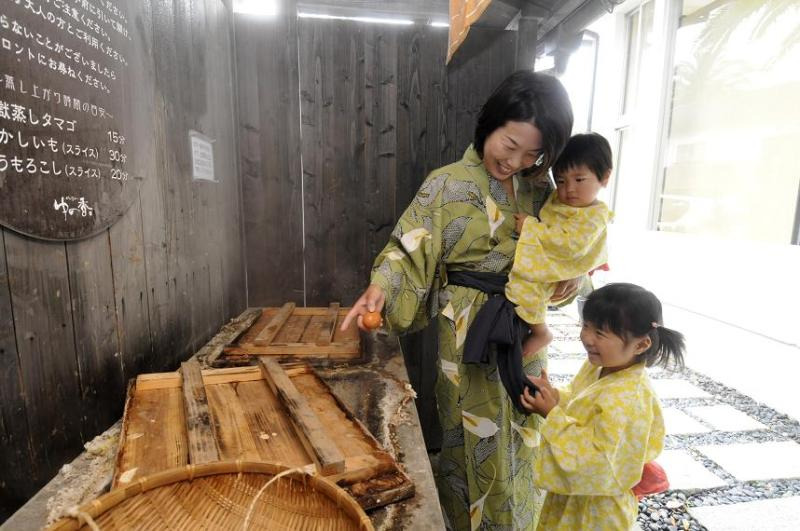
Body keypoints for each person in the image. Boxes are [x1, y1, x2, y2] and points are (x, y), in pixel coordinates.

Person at [341, 71, 574, 529]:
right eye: (509, 145)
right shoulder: (446, 185)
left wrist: (574, 275)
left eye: (533, 154)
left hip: (525, 329)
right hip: (468, 333)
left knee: (526, 430)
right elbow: (408, 249)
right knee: (469, 438)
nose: (516, 162)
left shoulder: (544, 193)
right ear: (490, 124)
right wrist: (382, 285)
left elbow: (573, 246)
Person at [520, 283, 686, 530]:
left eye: (600, 333)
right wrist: (553, 396)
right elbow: (580, 402)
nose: (587, 338)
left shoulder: (628, 397)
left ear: (641, 344)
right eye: (586, 326)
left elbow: (599, 461)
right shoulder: (600, 365)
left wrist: (551, 413)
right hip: (578, 498)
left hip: (598, 509)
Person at [506, 133, 614, 357]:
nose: (569, 189)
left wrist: (530, 227)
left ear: (604, 177)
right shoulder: (558, 198)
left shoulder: (595, 214)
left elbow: (569, 245)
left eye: (579, 179)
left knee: (526, 286)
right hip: (551, 261)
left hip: (563, 266)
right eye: (561, 180)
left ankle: (541, 331)